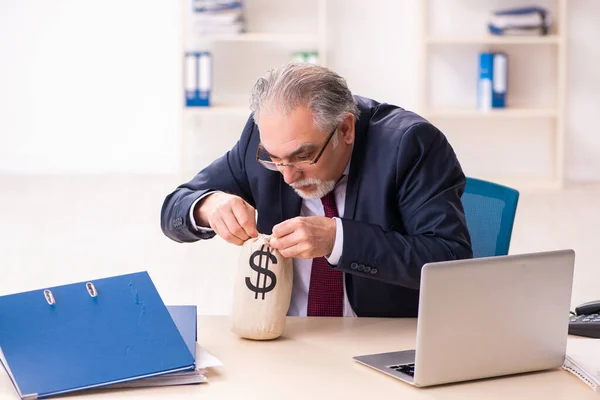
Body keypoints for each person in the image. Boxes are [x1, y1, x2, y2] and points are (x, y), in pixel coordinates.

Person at [161, 62, 472, 318]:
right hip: (284, 336)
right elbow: (174, 209)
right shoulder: (267, 140)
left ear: (346, 129)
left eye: (303, 156)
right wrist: (207, 205)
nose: (288, 176)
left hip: (380, 339)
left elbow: (449, 261)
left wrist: (338, 240)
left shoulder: (410, 145)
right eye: (274, 159)